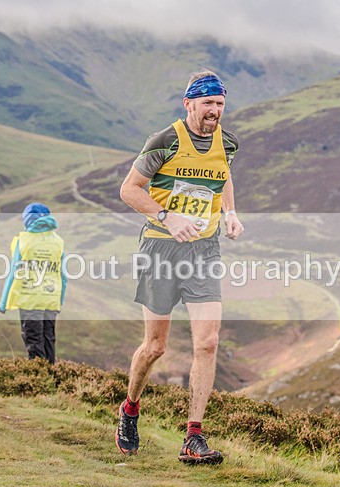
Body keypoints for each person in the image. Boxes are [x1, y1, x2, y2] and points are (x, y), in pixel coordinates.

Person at [116, 70, 244, 464]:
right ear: (188, 104)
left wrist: (231, 213)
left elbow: (222, 179)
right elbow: (129, 189)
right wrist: (168, 217)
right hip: (161, 250)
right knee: (155, 347)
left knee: (207, 342)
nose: (214, 111)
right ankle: (130, 408)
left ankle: (193, 437)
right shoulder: (165, 141)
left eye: (220, 104)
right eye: (207, 104)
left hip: (204, 251)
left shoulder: (229, 143)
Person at [0, 203, 67, 364]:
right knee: (49, 338)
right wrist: (59, 301)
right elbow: (63, 276)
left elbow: (14, 273)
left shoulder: (23, 241)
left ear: (26, 220)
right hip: (51, 298)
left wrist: (3, 302)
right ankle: (51, 379)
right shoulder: (58, 242)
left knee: (34, 340)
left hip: (30, 298)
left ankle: (39, 380)